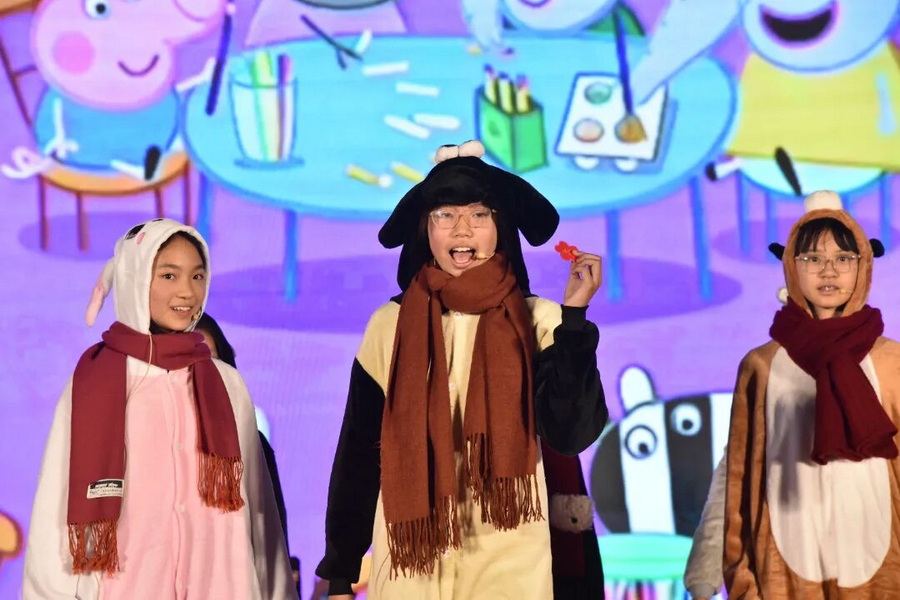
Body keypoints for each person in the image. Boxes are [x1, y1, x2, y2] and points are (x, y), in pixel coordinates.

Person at [315, 140, 609, 599]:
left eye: (479, 214)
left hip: (508, 566)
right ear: (425, 229)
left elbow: (571, 432)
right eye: (445, 215)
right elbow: (358, 451)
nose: (462, 228)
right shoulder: (390, 325)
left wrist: (574, 319)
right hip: (411, 569)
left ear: (500, 226)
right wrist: (341, 571)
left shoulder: (539, 320)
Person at [23, 218, 296, 599]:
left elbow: (259, 512)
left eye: (197, 276)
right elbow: (56, 505)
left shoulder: (226, 384)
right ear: (135, 279)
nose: (187, 291)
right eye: (169, 275)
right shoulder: (94, 382)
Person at [723, 190, 900, 596]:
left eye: (844, 258)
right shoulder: (762, 364)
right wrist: (743, 582)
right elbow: (740, 482)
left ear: (864, 265)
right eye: (812, 258)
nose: (829, 271)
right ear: (791, 264)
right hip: (787, 561)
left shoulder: (891, 361)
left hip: (879, 561)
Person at [195, 312, 303, 596]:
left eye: (212, 360)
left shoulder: (252, 443)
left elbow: (273, 539)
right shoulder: (149, 440)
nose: (202, 372)